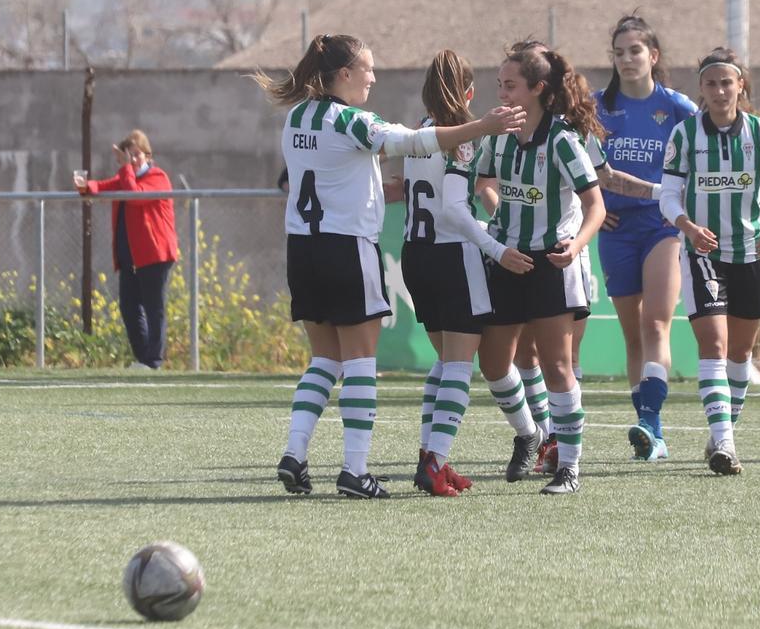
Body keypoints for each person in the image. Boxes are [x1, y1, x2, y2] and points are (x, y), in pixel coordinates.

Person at [254, 34, 525, 499]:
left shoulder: (298, 115)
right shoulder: (353, 120)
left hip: (302, 248)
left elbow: (352, 165)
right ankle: (355, 471)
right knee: (361, 364)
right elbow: (413, 141)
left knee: (324, 361)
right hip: (347, 247)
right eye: (367, 70)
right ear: (343, 75)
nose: (373, 78)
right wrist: (481, 127)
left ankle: (295, 454)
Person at [659, 47, 760, 475]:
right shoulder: (685, 135)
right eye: (710, 83)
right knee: (715, 345)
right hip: (703, 253)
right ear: (700, 89)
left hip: (751, 253)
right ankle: (724, 442)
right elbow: (667, 195)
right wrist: (687, 225)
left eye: (727, 82)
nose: (719, 90)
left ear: (741, 85)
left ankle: (721, 431)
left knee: (740, 353)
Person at [402, 49, 534, 497]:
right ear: (471, 93)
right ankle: (435, 464)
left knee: (443, 364)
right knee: (459, 366)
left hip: (415, 255)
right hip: (450, 257)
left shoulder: (421, 131)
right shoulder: (464, 138)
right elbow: (456, 210)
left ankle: (429, 457)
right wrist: (496, 249)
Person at [476, 45, 605, 494]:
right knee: (494, 363)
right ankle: (532, 434)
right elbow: (484, 182)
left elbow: (595, 204)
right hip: (508, 260)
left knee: (556, 365)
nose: (502, 92)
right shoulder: (497, 135)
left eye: (510, 85)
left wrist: (576, 247)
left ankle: (568, 465)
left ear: (537, 89)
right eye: (499, 84)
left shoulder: (563, 139)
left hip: (552, 262)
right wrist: (500, 215)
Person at [595, 14, 697, 461]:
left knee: (656, 322)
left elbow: (704, 162)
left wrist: (683, 210)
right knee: (632, 335)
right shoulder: (596, 108)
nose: (626, 59)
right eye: (618, 53)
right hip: (615, 231)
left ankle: (652, 425)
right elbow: (569, 165)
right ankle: (649, 437)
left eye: (635, 51)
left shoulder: (678, 107)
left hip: (661, 226)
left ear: (653, 56)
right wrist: (590, 210)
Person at [74, 130, 177, 371]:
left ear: (147, 154)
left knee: (154, 308)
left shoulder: (157, 177)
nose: (133, 159)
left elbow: (135, 197)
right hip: (131, 258)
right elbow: (101, 186)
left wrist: (125, 166)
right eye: (128, 154)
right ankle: (143, 358)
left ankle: (154, 361)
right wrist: (84, 186)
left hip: (154, 254)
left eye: (137, 154)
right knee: (129, 307)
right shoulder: (127, 177)